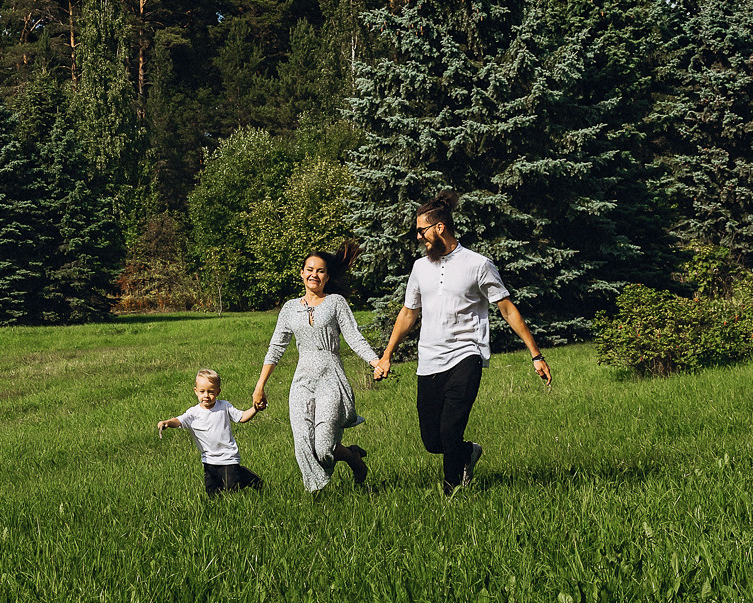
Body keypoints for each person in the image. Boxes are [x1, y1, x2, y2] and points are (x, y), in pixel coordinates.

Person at [373, 191, 552, 493]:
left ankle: (452, 493)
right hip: (429, 359)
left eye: (422, 230)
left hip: (467, 354)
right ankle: (468, 453)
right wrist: (387, 355)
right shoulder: (420, 268)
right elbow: (408, 313)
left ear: (439, 227)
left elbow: (506, 307)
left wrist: (535, 354)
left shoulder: (477, 264)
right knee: (433, 441)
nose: (419, 237)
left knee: (450, 427)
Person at [251, 244, 380, 493]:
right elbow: (276, 348)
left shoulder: (335, 303)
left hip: (331, 378)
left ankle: (353, 458)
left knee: (323, 446)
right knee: (302, 443)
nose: (314, 275)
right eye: (310, 269)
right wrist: (260, 387)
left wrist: (375, 362)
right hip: (302, 380)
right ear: (301, 273)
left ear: (327, 277)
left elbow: (353, 337)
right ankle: (318, 498)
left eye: (320, 271)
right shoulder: (289, 308)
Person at [158, 369, 265, 495]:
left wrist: (255, 409)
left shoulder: (224, 406)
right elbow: (179, 420)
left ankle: (249, 479)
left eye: (211, 392)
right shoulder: (193, 413)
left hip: (228, 457)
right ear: (195, 391)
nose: (206, 396)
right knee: (212, 493)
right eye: (202, 391)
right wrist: (167, 423)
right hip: (208, 460)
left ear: (218, 392)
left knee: (231, 489)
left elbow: (241, 417)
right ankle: (239, 480)